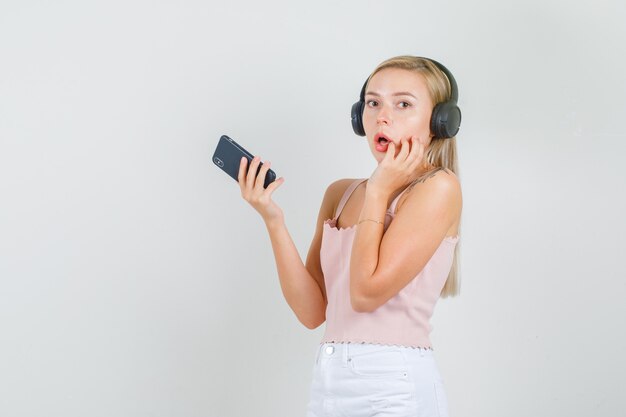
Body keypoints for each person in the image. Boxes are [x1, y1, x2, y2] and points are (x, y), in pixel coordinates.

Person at [237, 55, 463, 417]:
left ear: (439, 122)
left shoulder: (438, 189)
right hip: (328, 385)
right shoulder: (339, 194)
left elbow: (365, 294)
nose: (382, 116)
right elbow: (312, 312)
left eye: (403, 104)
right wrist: (273, 220)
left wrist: (377, 190)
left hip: (395, 387)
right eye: (373, 103)